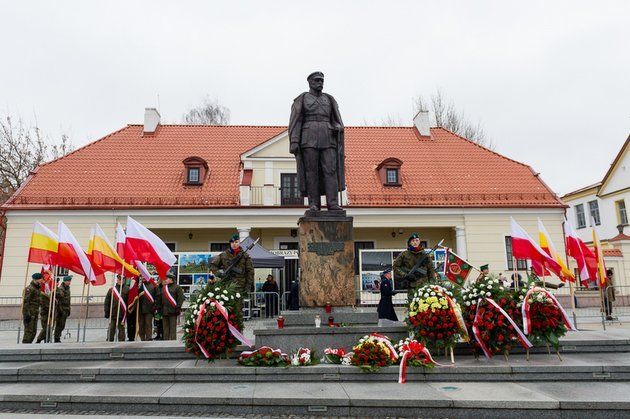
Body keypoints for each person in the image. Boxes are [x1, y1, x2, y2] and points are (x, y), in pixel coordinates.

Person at [288, 71, 345, 212]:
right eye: (317, 80)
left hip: (328, 137)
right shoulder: (302, 99)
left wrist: (338, 127)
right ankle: (314, 204)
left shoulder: (329, 99)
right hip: (308, 138)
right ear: (310, 82)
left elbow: (337, 121)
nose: (320, 83)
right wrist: (294, 140)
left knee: (330, 171)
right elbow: (296, 121)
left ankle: (332, 203)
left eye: (322, 81)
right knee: (311, 172)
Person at [393, 233, 436, 298]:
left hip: (424, 285)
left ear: (419, 242)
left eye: (416, 240)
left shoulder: (425, 255)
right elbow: (395, 267)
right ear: (410, 243)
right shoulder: (404, 254)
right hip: (411, 285)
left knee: (424, 305)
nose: (415, 242)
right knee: (412, 305)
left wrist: (432, 284)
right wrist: (405, 275)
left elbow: (431, 270)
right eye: (413, 241)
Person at [156, 271, 185, 341]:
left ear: (171, 279)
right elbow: (159, 298)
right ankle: (166, 342)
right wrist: (159, 308)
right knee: (165, 328)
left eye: (167, 278)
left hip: (173, 310)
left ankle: (173, 342)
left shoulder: (177, 287)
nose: (165, 280)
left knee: (172, 328)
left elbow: (181, 298)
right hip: (164, 310)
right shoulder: (163, 287)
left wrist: (178, 307)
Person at [104, 275, 129, 342]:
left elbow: (129, 301)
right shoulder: (112, 290)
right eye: (119, 280)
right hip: (113, 313)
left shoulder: (127, 289)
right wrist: (107, 312)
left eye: (122, 280)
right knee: (111, 328)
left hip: (122, 313)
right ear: (117, 280)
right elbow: (107, 301)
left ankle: (121, 342)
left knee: (121, 329)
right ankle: (109, 340)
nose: (120, 281)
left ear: (124, 280)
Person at [22, 273, 43, 344]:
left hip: (35, 312)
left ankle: (29, 345)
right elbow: (25, 302)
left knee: (33, 331)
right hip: (30, 313)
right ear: (36, 279)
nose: (42, 280)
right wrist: (27, 314)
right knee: (29, 331)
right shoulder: (30, 288)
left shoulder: (37, 288)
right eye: (40, 279)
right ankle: (25, 345)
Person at [53, 275, 72, 343]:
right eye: (68, 281)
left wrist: (69, 309)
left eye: (70, 281)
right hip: (61, 309)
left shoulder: (67, 288)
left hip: (65, 309)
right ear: (64, 281)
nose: (69, 282)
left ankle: (58, 336)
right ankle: (56, 338)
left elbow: (68, 300)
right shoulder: (61, 288)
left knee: (62, 325)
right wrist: (60, 310)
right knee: (59, 325)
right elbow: (60, 299)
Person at [138, 276, 156, 341]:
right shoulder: (139, 286)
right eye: (142, 277)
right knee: (141, 325)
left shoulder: (153, 286)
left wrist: (154, 307)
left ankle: (149, 337)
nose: (143, 278)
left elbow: (155, 298)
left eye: (144, 277)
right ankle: (142, 338)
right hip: (140, 309)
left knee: (148, 324)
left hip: (149, 309)